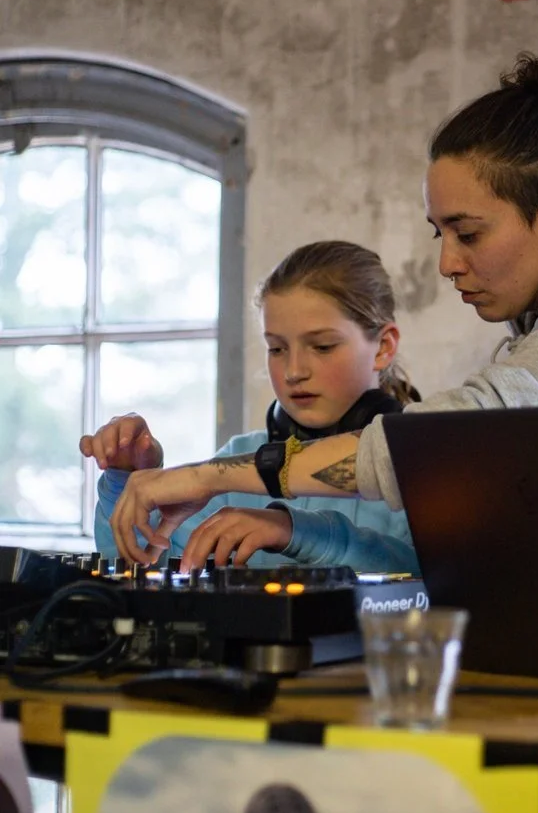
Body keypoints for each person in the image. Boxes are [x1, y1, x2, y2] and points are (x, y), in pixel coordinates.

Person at [106, 49, 538, 625]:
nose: (447, 263)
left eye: (468, 233)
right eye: (440, 233)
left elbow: (440, 445)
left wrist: (208, 478)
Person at [80, 240, 420, 574]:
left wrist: (291, 530)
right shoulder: (238, 456)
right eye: (276, 349)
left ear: (383, 347)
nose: (294, 371)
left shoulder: (422, 464)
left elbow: (428, 576)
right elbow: (147, 562)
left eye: (322, 346)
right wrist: (126, 478)